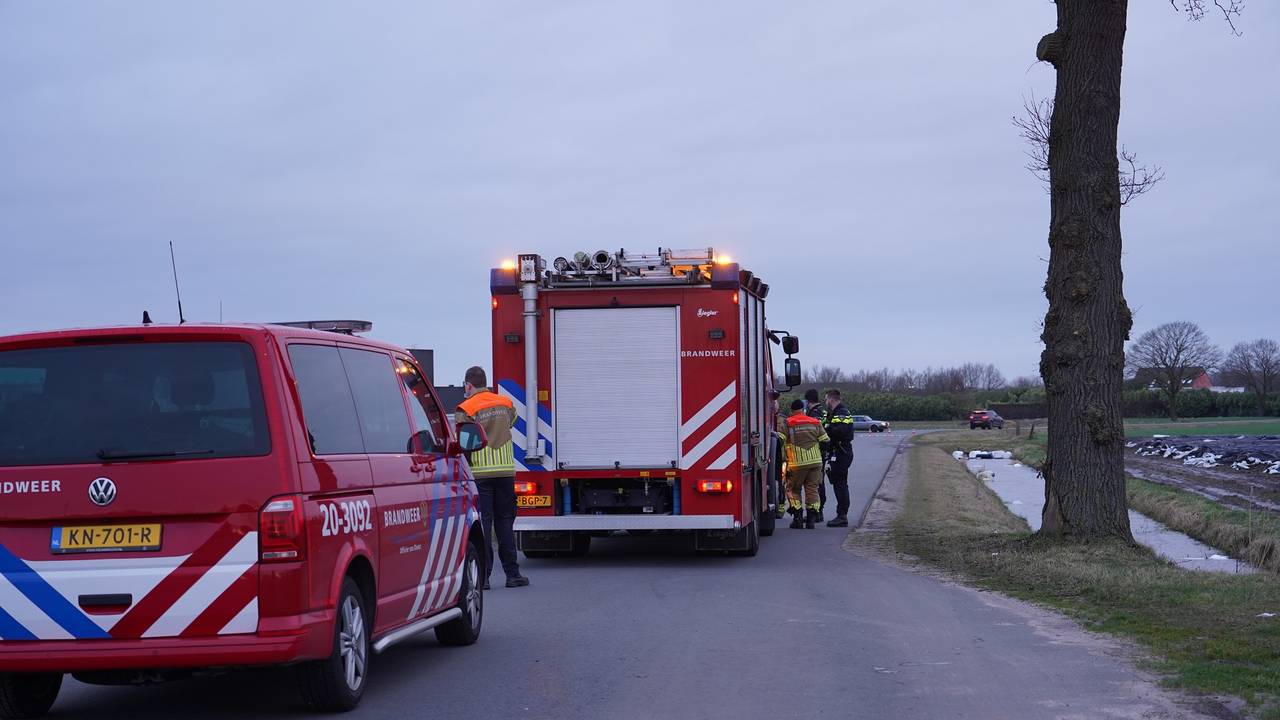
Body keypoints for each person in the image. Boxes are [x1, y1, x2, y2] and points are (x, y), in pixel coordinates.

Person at [455, 366, 529, 589]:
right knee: (505, 522)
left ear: (469, 385)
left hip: (480, 474)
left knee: (484, 524)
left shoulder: (465, 408)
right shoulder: (505, 403)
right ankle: (513, 575)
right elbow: (512, 422)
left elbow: (464, 440)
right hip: (505, 471)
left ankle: (484, 578)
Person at [783, 399, 828, 529]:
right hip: (815, 462)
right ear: (803, 409)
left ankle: (797, 518)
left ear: (791, 410)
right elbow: (825, 441)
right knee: (812, 490)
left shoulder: (788, 422)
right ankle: (811, 520)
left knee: (792, 489)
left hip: (797, 462)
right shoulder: (815, 422)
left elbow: (780, 439)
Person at [821, 389, 855, 528]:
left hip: (842, 451)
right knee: (838, 483)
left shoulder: (841, 413)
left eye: (826, 399)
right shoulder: (834, 413)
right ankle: (841, 514)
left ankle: (842, 516)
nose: (825, 402)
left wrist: (827, 429)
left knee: (840, 484)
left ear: (831, 399)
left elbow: (840, 431)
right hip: (838, 452)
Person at [804, 388, 829, 518]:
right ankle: (819, 510)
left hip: (815, 451)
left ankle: (817, 511)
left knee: (815, 483)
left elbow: (810, 433)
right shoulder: (824, 411)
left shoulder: (813, 414)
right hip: (823, 450)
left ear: (808, 401)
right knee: (819, 481)